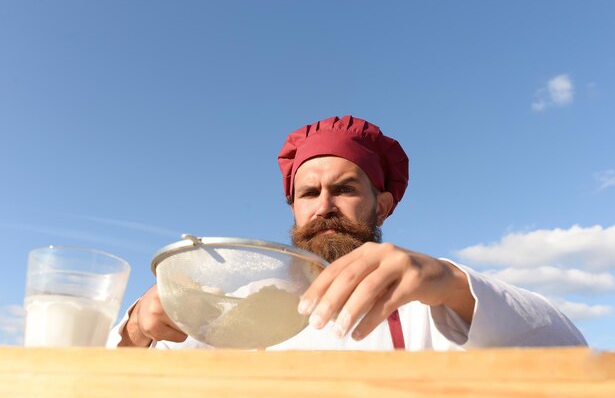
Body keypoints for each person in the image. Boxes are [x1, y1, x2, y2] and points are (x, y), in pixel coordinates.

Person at [108, 115, 587, 350]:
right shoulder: (244, 302)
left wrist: (450, 281)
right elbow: (109, 377)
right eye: (308, 194)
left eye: (344, 188)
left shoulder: (432, 306)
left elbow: (566, 347)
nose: (323, 207)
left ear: (384, 203)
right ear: (293, 208)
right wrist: (137, 327)